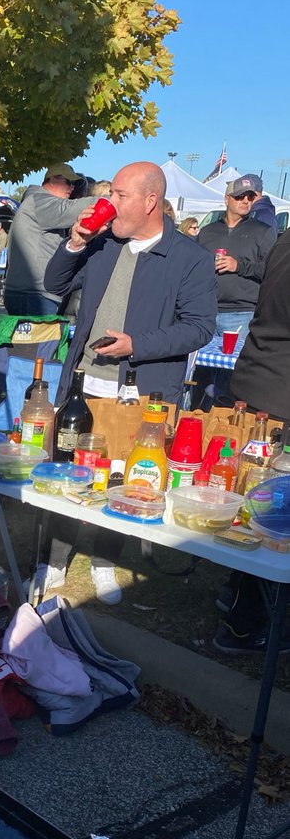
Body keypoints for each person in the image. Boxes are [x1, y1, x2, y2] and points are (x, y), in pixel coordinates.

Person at [28, 161, 217, 604]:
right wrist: (75, 241)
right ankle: (54, 559)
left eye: (119, 195)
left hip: (142, 390)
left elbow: (200, 328)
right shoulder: (104, 244)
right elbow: (55, 283)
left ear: (150, 201)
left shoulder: (189, 258)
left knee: (123, 480)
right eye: (110, 194)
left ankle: (105, 560)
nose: (108, 203)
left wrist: (138, 343)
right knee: (70, 470)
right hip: (84, 381)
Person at [215, 227, 290, 652]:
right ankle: (245, 625)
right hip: (279, 388)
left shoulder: (284, 238)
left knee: (255, 500)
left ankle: (235, 592)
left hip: (260, 376)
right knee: (275, 514)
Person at [197, 175, 276, 363]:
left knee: (234, 372)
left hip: (241, 313)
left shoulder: (263, 230)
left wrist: (238, 265)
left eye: (250, 197)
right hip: (206, 311)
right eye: (240, 196)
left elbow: (271, 271)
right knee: (199, 371)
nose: (246, 201)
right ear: (227, 199)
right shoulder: (208, 231)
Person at [3, 163, 94, 316]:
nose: (72, 188)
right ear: (53, 180)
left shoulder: (37, 202)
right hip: (33, 295)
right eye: (69, 182)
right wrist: (114, 202)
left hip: (31, 294)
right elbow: (70, 209)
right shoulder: (39, 200)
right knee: (40, 340)